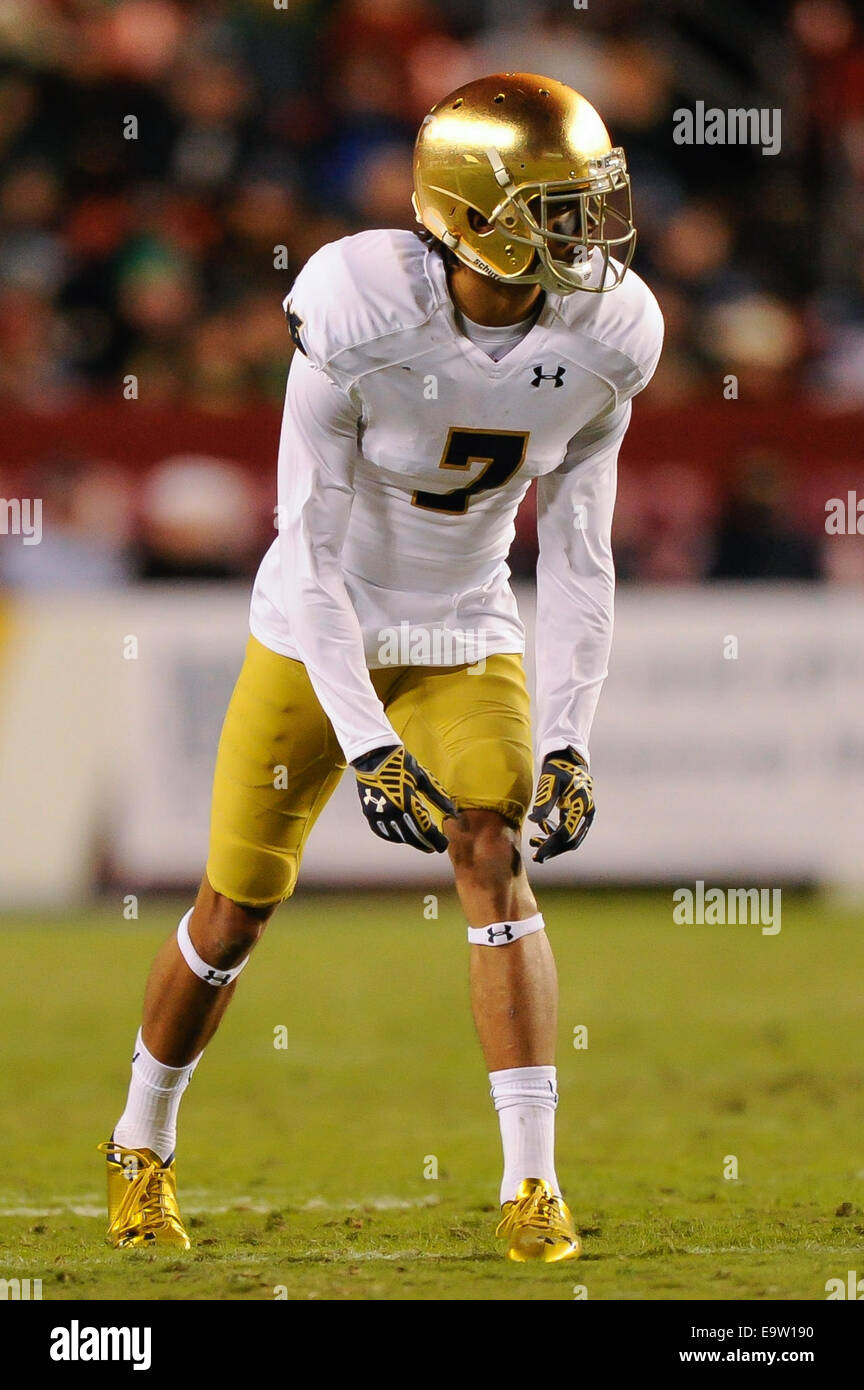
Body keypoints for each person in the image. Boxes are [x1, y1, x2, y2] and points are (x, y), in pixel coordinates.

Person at [100, 72, 663, 1265]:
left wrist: (570, 732)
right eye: (559, 206)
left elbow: (578, 551)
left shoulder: (610, 333)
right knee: (234, 909)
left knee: (495, 848)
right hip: (321, 626)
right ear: (478, 212)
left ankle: (531, 1184)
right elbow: (303, 547)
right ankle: (140, 1148)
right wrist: (365, 743)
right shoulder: (361, 306)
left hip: (466, 627)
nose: (589, 232)